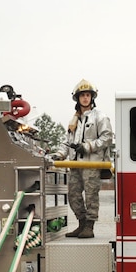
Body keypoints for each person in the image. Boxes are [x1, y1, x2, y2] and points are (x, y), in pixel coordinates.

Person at [50, 79, 113, 239]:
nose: (85, 98)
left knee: (91, 195)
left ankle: (90, 227)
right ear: (77, 98)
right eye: (82, 95)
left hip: (92, 163)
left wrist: (87, 146)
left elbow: (107, 138)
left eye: (88, 95)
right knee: (73, 195)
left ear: (92, 98)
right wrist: (59, 154)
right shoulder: (74, 120)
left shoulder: (100, 117)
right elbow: (67, 142)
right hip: (75, 164)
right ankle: (81, 224)